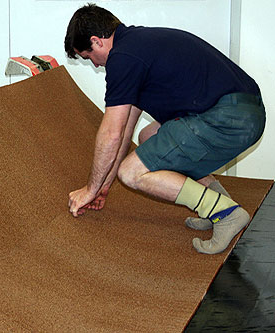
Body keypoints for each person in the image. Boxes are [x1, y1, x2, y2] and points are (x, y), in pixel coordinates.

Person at [64, 4, 265, 254]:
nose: (94, 65)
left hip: (229, 117)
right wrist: (104, 185)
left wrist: (89, 190)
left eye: (88, 56)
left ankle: (226, 214)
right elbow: (125, 133)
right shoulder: (138, 45)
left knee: (131, 173)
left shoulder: (123, 58)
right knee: (148, 136)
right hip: (242, 110)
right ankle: (217, 202)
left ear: (97, 41)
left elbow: (111, 134)